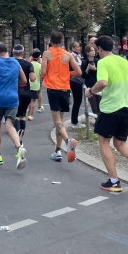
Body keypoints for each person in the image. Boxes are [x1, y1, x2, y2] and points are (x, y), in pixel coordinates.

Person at [85, 36, 128, 193]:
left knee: (104, 142)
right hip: (126, 107)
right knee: (120, 143)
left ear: (100, 49)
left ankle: (114, 181)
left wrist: (90, 91)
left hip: (111, 108)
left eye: (96, 49)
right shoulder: (123, 61)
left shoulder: (103, 62)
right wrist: (126, 90)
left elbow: (103, 82)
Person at [41, 31, 82, 162]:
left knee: (57, 123)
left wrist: (44, 76)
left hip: (53, 89)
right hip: (65, 89)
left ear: (50, 41)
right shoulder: (67, 55)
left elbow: (43, 72)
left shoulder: (47, 53)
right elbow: (78, 71)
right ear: (62, 41)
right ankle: (57, 151)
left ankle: (67, 141)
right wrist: (66, 74)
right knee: (61, 122)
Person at [12, 44, 36, 144]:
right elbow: (32, 79)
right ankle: (21, 138)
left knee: (15, 116)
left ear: (13, 52)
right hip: (26, 92)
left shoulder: (11, 63)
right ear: (23, 52)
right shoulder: (28, 64)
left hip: (14, 91)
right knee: (22, 115)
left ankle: (17, 135)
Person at [68, 42, 85, 129]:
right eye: (78, 47)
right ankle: (74, 121)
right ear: (73, 48)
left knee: (78, 101)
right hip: (75, 80)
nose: (79, 48)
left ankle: (74, 120)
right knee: (77, 100)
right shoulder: (72, 56)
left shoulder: (77, 56)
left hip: (77, 80)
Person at [82, 46, 99, 115]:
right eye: (92, 50)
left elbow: (101, 73)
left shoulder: (97, 61)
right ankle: (97, 119)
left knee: (100, 105)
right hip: (89, 85)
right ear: (87, 53)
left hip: (98, 84)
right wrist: (87, 69)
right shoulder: (84, 62)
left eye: (94, 50)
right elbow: (83, 76)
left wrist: (95, 69)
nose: (94, 52)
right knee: (94, 106)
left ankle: (100, 119)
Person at [27, 49, 42, 120]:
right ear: (39, 57)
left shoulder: (29, 64)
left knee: (29, 100)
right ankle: (30, 115)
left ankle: (28, 111)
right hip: (36, 85)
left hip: (28, 84)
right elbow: (41, 76)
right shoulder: (39, 66)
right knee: (33, 100)